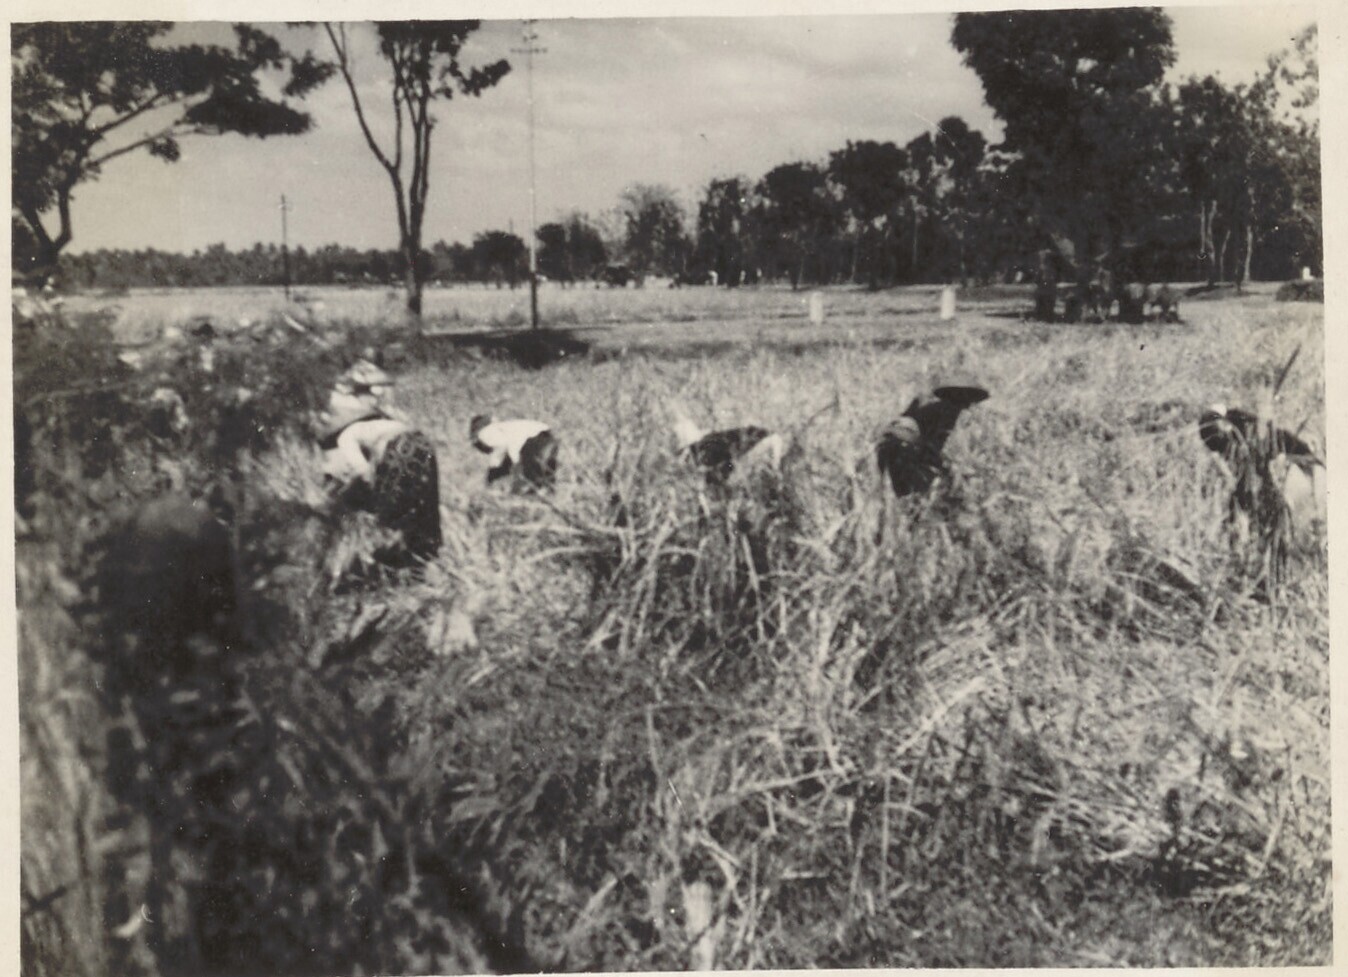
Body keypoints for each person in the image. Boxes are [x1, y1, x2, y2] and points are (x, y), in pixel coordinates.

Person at [318, 355, 442, 568]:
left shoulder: (346, 434)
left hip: (396, 446)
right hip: (421, 441)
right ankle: (428, 545)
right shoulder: (379, 420)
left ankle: (394, 552)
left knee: (390, 509)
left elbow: (361, 468)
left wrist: (365, 486)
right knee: (425, 500)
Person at [469, 414, 559, 491]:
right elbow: (505, 455)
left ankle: (532, 495)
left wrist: (494, 465)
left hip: (533, 437)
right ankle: (548, 492)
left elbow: (502, 446)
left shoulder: (484, 433)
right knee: (543, 469)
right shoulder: (502, 426)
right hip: (546, 434)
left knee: (529, 473)